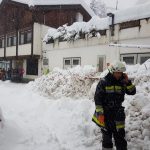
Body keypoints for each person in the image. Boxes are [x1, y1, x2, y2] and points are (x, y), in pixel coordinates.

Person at [92, 61, 136, 150]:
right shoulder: (104, 82)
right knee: (107, 138)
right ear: (112, 71)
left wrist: (128, 82)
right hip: (106, 113)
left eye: (121, 73)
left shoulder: (123, 81)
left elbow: (132, 92)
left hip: (118, 114)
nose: (119, 75)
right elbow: (98, 99)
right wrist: (100, 113)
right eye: (118, 72)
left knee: (120, 137)